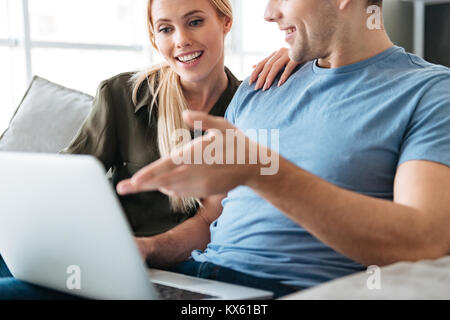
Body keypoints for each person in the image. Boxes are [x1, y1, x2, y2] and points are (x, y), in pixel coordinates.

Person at [116, 0, 450, 297]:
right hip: (194, 284)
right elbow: (211, 219)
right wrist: (149, 248)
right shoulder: (260, 87)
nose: (268, 13)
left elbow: (425, 240)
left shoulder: (430, 93)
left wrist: (262, 172)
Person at [0, 0, 299, 299]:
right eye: (166, 29)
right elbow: (60, 183)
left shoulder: (251, 111)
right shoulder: (121, 95)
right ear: (154, 38)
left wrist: (299, 56)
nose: (181, 40)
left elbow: (214, 220)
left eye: (195, 22)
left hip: (170, 272)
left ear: (225, 22)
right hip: (96, 258)